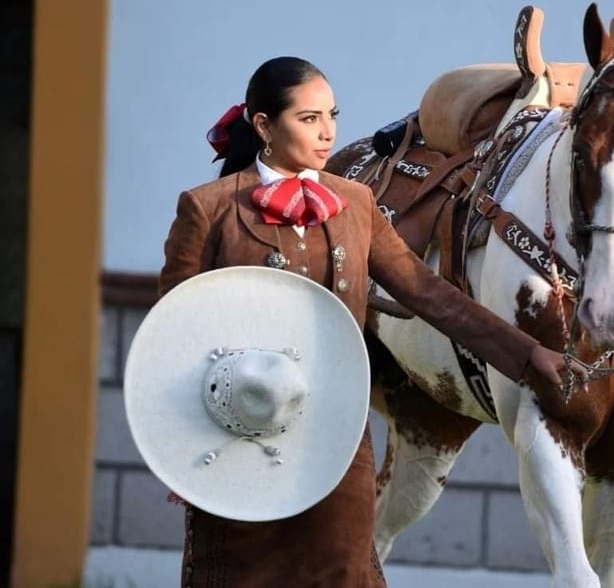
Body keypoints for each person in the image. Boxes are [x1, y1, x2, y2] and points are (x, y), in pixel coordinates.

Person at [159, 56, 586, 587]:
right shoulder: (207, 209)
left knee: (342, 570)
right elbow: (173, 337)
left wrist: (527, 357)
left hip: (333, 429)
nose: (328, 132)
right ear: (264, 126)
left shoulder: (355, 203)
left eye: (331, 115)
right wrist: (180, 444)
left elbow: (432, 294)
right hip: (234, 431)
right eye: (308, 118)